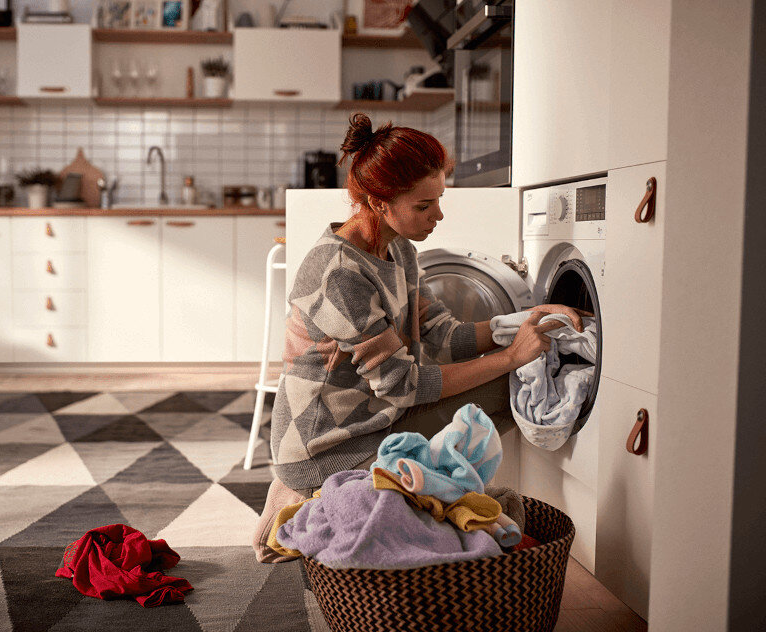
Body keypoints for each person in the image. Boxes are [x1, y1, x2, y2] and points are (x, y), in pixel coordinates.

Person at [252, 113, 589, 562]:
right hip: (326, 444)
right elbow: (403, 385)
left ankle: (434, 494)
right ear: (378, 202)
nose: (439, 215)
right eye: (423, 206)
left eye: (439, 199)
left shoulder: (400, 251)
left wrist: (528, 320)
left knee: (508, 384)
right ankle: (321, 493)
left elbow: (442, 335)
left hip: (377, 417)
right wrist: (510, 357)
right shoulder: (337, 273)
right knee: (508, 376)